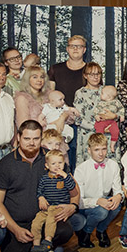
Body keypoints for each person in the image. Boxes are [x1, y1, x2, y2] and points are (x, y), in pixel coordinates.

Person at [0, 120, 78, 252]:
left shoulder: (51, 158)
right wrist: (15, 229)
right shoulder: (5, 165)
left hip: (46, 219)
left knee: (65, 230)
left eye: (36, 139)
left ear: (41, 138)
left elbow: (73, 185)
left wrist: (73, 205)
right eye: (27, 139)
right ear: (18, 138)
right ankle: (34, 251)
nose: (31, 143)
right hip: (18, 225)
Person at [74, 133, 122, 248]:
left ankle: (101, 230)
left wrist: (118, 196)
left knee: (117, 205)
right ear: (89, 150)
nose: (101, 153)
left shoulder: (113, 165)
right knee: (101, 211)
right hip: (86, 206)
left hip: (103, 200)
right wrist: (97, 201)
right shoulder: (81, 169)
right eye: (96, 150)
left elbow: (118, 190)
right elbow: (79, 202)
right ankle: (86, 231)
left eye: (103, 149)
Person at [48, 35, 88, 168]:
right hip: (60, 121)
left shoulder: (90, 70)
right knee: (61, 158)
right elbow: (50, 94)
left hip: (83, 122)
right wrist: (63, 113)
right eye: (72, 46)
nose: (75, 49)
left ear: (84, 50)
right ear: (67, 49)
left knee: (81, 160)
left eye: (79, 46)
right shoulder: (56, 69)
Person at [29, 150, 76, 252]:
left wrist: (65, 175)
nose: (57, 166)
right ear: (47, 166)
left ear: (64, 163)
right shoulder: (44, 178)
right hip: (47, 207)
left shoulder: (65, 177)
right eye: (53, 163)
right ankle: (36, 246)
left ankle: (48, 242)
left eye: (60, 163)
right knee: (36, 222)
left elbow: (72, 186)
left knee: (51, 219)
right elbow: (39, 191)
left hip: (59, 207)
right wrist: (41, 197)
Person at [74, 62, 109, 164]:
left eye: (98, 73)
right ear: (85, 75)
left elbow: (116, 108)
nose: (96, 77)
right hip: (88, 135)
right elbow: (78, 118)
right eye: (92, 74)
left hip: (106, 134)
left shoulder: (106, 90)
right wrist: (96, 127)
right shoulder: (80, 93)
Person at [93, 85, 125, 152]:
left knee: (116, 131)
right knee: (99, 130)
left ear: (108, 96)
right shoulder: (101, 103)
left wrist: (121, 115)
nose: (100, 95)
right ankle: (100, 144)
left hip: (112, 121)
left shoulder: (116, 102)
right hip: (101, 121)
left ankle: (112, 144)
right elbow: (96, 110)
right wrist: (96, 116)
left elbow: (121, 109)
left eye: (102, 93)